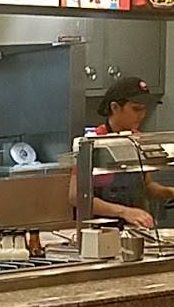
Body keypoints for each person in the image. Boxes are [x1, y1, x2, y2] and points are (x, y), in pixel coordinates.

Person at [68, 76, 168, 230]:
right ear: (114, 107)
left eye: (144, 109)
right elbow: (76, 196)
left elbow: (147, 187)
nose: (142, 115)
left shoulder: (138, 140)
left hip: (136, 229)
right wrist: (124, 212)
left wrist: (169, 192)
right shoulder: (93, 143)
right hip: (101, 232)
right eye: (136, 109)